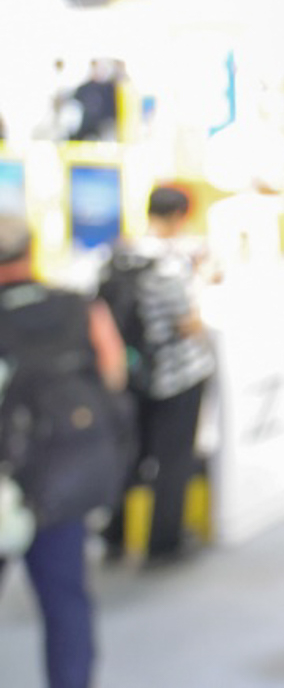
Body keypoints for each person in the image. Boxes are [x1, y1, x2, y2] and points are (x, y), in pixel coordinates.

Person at [0, 215, 129, 688]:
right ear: (31, 250)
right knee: (66, 602)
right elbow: (113, 372)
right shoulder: (77, 306)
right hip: (61, 472)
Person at [98, 185, 217, 566]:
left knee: (129, 454)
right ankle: (162, 543)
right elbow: (188, 323)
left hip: (129, 375)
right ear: (180, 216)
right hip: (175, 376)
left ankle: (115, 535)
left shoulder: (115, 256)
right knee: (173, 458)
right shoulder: (170, 264)